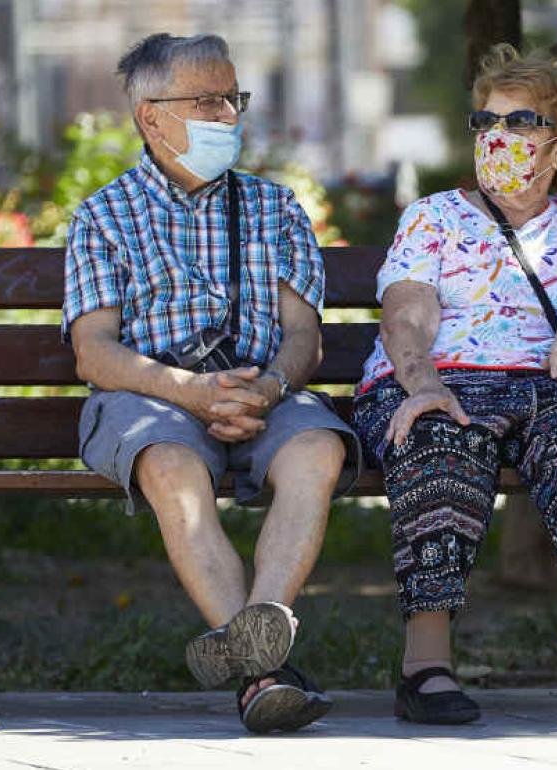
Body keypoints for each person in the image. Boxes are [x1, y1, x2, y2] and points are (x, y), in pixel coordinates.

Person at [350, 44, 557, 728]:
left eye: (518, 123)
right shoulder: (435, 217)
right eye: (485, 123)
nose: (495, 138)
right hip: (443, 381)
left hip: (550, 387)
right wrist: (421, 386)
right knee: (439, 447)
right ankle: (426, 668)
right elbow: (406, 313)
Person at [62, 33, 361, 734]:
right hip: (151, 401)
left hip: (267, 394)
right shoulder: (105, 215)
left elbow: (303, 339)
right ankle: (265, 672)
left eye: (234, 97)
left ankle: (254, 662)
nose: (229, 113)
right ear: (152, 117)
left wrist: (272, 389)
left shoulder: (275, 208)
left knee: (319, 451)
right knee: (169, 468)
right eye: (208, 100)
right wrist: (191, 393)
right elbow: (94, 354)